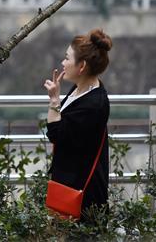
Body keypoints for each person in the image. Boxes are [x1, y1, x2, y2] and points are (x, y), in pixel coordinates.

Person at [43, 28, 112, 223]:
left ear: (81, 66)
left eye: (67, 58)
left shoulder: (94, 104)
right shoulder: (81, 89)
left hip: (82, 194)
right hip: (68, 184)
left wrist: (54, 100)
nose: (63, 63)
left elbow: (56, 134)